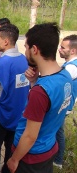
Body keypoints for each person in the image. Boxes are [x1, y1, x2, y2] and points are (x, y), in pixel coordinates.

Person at [7, 23, 73, 173]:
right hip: (49, 148)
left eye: (26, 47)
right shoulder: (66, 76)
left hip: (30, 157)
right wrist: (34, 81)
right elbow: (54, 108)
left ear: (34, 49)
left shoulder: (40, 92)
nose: (25, 52)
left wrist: (14, 159)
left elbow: (30, 135)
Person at [0, 24, 29, 173]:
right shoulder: (24, 59)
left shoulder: (1, 63)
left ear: (5, 42)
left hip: (1, 113)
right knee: (11, 146)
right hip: (19, 112)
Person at [54, 34, 77, 169]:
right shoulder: (70, 64)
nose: (59, 49)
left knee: (58, 133)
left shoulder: (72, 68)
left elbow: (57, 82)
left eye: (63, 47)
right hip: (65, 104)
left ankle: (57, 161)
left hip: (64, 106)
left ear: (72, 50)